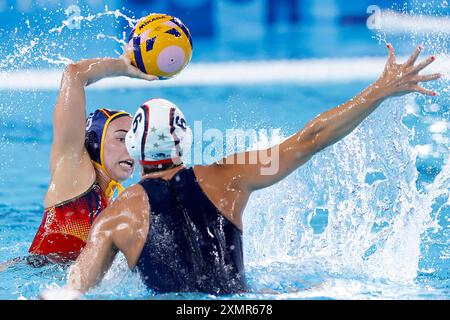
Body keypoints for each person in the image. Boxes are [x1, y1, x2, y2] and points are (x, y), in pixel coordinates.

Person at [40, 44, 440, 298]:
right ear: (184, 141)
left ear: (136, 149)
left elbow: (70, 293)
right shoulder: (228, 176)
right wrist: (380, 89)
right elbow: (312, 138)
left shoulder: (114, 220)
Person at [27, 55, 157, 264]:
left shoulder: (111, 205)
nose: (131, 147)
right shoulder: (74, 175)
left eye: (134, 139)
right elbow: (74, 74)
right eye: (122, 138)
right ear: (95, 143)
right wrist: (123, 67)